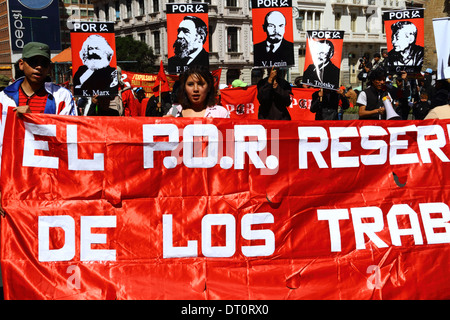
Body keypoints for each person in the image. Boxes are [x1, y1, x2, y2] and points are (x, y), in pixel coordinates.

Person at [0, 42, 77, 217]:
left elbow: (69, 138)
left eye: (43, 63)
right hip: (12, 180)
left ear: (49, 67)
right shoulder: (3, 99)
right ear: (21, 64)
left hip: (50, 180)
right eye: (33, 62)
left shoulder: (62, 96)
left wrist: (33, 119)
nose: (39, 67)